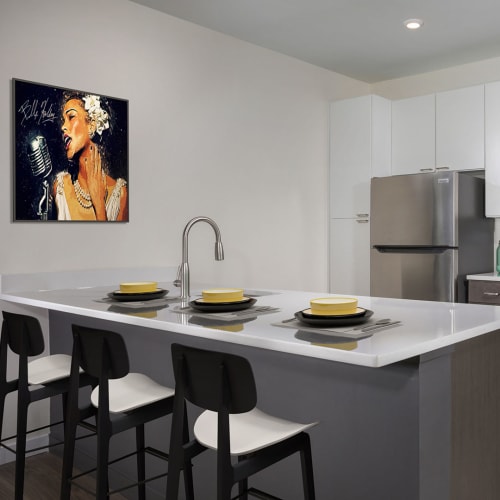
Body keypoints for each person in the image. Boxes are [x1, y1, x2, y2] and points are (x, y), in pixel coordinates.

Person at [53, 92, 128, 221]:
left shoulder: (120, 195)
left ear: (92, 125)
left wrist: (99, 204)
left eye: (71, 117)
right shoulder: (59, 189)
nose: (63, 127)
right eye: (63, 121)